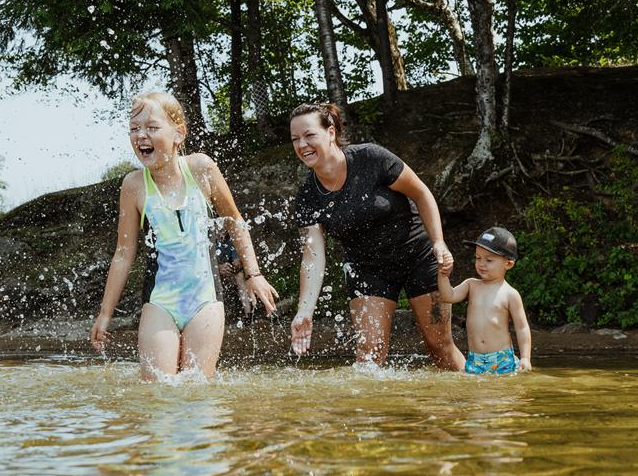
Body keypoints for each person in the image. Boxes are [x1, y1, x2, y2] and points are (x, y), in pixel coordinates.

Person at [90, 92, 278, 377]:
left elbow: (234, 222)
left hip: (205, 300)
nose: (141, 135)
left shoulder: (200, 168)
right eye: (134, 128)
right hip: (160, 301)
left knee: (195, 390)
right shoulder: (134, 185)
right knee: (159, 390)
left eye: (152, 127)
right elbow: (123, 253)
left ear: (178, 133)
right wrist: (105, 314)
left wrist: (253, 274)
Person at [288, 102, 465, 370]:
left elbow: (421, 193)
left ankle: (468, 406)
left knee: (438, 345)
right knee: (369, 355)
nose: (302, 145)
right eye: (295, 139)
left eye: (309, 135)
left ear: (331, 132)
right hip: (368, 269)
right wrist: (305, 310)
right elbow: (312, 257)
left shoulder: (371, 159)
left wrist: (438, 241)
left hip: (416, 254)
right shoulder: (308, 198)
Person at [437, 226, 532, 374]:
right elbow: (448, 296)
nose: (481, 264)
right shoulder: (471, 285)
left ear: (508, 264)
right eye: (478, 258)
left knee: (502, 395)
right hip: (475, 359)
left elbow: (522, 328)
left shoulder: (510, 294)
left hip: (501, 359)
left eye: (489, 260)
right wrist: (443, 274)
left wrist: (526, 357)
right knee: (476, 395)